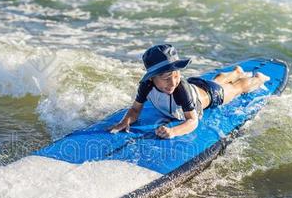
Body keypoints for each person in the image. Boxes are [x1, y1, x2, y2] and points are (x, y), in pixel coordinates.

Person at [109, 44, 269, 139]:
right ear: (152, 78)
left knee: (236, 88)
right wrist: (126, 121)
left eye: (177, 74)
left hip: (211, 95)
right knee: (216, 80)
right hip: (197, 85)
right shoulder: (146, 85)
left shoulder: (179, 89)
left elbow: (192, 121)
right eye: (166, 78)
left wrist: (173, 131)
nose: (172, 82)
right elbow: (136, 109)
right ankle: (235, 72)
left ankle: (258, 78)